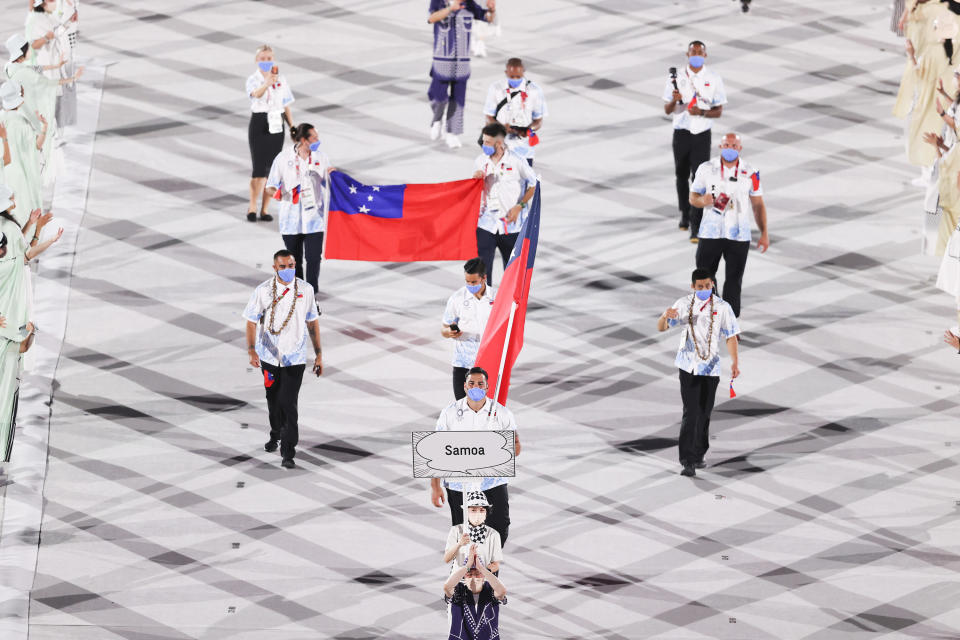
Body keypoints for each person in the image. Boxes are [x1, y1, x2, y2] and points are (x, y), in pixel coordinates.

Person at [242, 250, 322, 469]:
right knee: (273, 399)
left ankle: (288, 450)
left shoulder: (306, 290)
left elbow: (312, 322)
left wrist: (319, 354)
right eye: (283, 266)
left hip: (294, 358)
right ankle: (275, 432)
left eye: (292, 265)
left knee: (288, 402)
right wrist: (251, 350)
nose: (289, 270)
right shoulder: (263, 291)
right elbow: (250, 322)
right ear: (275, 268)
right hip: (268, 357)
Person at [656, 268, 741, 477]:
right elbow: (662, 327)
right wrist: (664, 316)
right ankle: (687, 460)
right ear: (693, 286)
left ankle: (700, 453)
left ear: (712, 284)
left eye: (707, 285)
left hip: (711, 368)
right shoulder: (684, 304)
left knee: (704, 413)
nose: (704, 289)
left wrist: (735, 362)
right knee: (690, 411)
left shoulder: (723, 308)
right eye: (699, 286)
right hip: (688, 366)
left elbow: (731, 336)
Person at [429, 367, 520, 545]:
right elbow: (435, 450)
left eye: (480, 384)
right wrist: (435, 486)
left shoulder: (501, 413)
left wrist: (494, 449)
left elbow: (516, 447)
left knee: (498, 529)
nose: (475, 387)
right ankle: (465, 571)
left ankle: (490, 569)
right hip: (459, 484)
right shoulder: (450, 413)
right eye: (471, 383)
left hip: (492, 482)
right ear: (464, 386)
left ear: (487, 387)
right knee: (462, 534)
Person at [688, 133, 768, 318]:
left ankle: (729, 321)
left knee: (734, 280)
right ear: (720, 146)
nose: (730, 148)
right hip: (710, 232)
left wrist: (764, 233)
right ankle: (711, 314)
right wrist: (703, 200)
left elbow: (757, 204)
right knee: (704, 276)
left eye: (734, 145)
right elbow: (693, 198)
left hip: (739, 235)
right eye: (726, 145)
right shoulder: (706, 168)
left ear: (739, 148)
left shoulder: (751, 171)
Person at [662, 40, 727, 240]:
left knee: (699, 179)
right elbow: (667, 110)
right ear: (687, 54)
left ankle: (696, 221)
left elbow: (718, 111)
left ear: (705, 56)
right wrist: (674, 99)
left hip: (701, 134)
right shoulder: (677, 77)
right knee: (681, 175)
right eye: (693, 52)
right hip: (681, 132)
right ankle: (684, 213)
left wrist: (702, 112)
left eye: (700, 52)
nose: (696, 55)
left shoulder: (713, 78)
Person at [265, 123, 334, 301]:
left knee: (313, 258)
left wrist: (334, 177)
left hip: (314, 218)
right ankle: (298, 292)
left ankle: (311, 292)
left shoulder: (321, 157)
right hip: (291, 219)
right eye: (314, 138)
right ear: (304, 140)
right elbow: (270, 187)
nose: (318, 141)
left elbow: (329, 184)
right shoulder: (283, 158)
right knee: (294, 260)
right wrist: (279, 194)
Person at [472, 122, 537, 285]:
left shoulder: (517, 161)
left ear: (499, 143)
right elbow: (474, 191)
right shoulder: (480, 161)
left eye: (487, 142)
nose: (483, 145)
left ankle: (510, 308)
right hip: (486, 225)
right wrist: (475, 180)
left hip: (511, 225)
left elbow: (534, 184)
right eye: (483, 141)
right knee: (482, 272)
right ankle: (485, 307)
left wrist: (519, 206)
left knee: (513, 272)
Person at [427, 0, 497, 149]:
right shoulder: (439, 1)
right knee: (438, 97)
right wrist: (451, 9)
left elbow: (487, 18)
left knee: (458, 100)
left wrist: (492, 10)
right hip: (442, 60)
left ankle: (452, 133)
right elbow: (431, 18)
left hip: (462, 62)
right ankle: (437, 118)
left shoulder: (469, 4)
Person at [246, 44, 294, 223]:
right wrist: (266, 83)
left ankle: (265, 209)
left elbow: (286, 103)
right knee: (258, 169)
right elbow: (255, 95)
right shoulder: (253, 79)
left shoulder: (281, 79)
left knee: (271, 170)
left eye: (269, 58)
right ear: (257, 61)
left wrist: (292, 126)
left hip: (277, 122)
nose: (266, 62)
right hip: (260, 122)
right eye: (262, 59)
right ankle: (252, 206)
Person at [442, 257, 495, 400]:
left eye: (473, 282)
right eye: (467, 281)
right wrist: (449, 332)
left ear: (484, 278)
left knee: (487, 408)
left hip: (488, 361)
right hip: (462, 363)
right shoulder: (457, 298)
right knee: (461, 407)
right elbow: (444, 328)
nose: (470, 285)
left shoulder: (496, 298)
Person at [483, 57, 547, 166]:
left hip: (524, 150)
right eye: (512, 76)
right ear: (506, 72)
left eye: (518, 76)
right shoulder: (496, 88)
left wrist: (527, 130)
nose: (515, 79)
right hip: (500, 147)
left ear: (523, 72)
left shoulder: (534, 90)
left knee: (526, 180)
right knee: (499, 181)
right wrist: (501, 128)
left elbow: (538, 120)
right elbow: (489, 117)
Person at [0, 79, 45, 225]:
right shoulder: (21, 123)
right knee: (23, 211)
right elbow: (35, 148)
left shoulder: (1, 119)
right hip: (21, 174)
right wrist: (44, 129)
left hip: (3, 173)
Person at [443, 545, 506, 640]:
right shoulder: (458, 590)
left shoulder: (491, 590)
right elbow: (447, 587)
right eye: (469, 574)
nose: (474, 578)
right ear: (464, 577)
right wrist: (467, 566)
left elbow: (502, 591)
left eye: (477, 574)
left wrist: (482, 568)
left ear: (484, 576)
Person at [442, 491, 503, 574]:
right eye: (473, 510)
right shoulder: (456, 530)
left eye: (482, 510)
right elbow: (446, 559)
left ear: (486, 513)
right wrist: (459, 544)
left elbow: (496, 564)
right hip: (458, 580)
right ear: (466, 512)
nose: (478, 514)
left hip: (481, 581)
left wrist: (481, 572)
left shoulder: (493, 534)